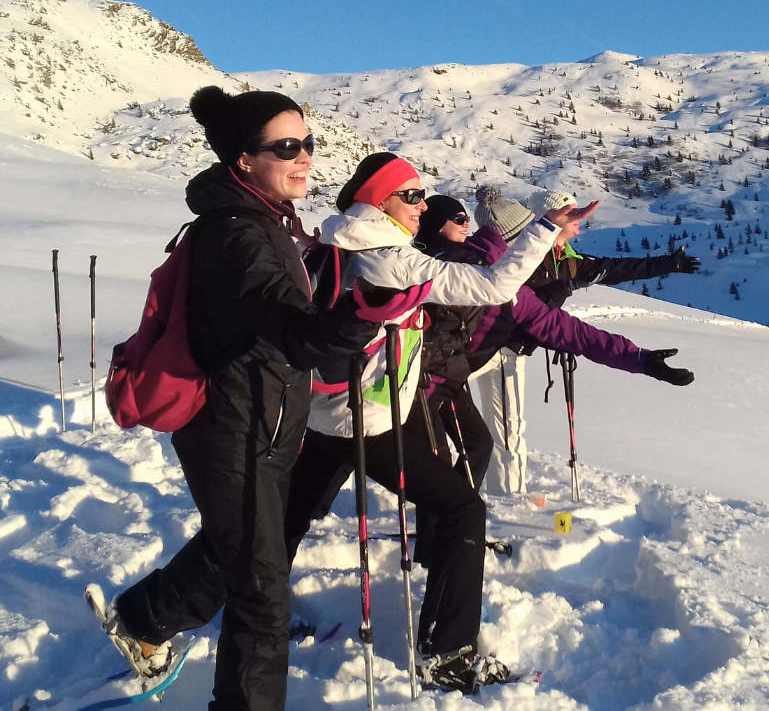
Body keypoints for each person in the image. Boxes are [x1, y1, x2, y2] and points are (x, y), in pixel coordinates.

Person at [86, 86, 385, 711]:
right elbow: (291, 327)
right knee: (262, 595)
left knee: (241, 549)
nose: (305, 157)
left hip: (262, 425)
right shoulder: (239, 237)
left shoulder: (266, 220)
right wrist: (355, 319)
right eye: (287, 147)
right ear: (244, 160)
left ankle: (143, 620)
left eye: (308, 143)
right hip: (235, 430)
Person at [281, 153, 598, 693]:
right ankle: (447, 655)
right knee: (461, 509)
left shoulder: (333, 244)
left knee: (284, 515)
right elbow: (496, 285)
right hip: (368, 419)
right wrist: (548, 227)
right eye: (411, 195)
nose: (422, 205)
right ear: (378, 202)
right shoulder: (391, 260)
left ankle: (174, 612)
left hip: (327, 412)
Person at [412, 194, 694, 499]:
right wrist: (639, 359)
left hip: (452, 372)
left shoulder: (530, 276)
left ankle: (460, 514)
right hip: (421, 378)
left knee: (479, 445)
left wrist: (639, 357)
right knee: (464, 451)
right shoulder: (467, 272)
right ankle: (474, 509)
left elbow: (568, 322)